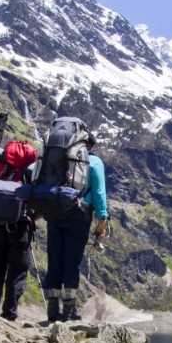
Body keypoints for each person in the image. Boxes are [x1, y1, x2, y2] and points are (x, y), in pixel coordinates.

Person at [42, 133, 109, 324]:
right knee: (71, 261)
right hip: (79, 215)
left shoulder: (60, 158)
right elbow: (98, 193)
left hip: (55, 212)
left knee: (54, 258)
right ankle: (69, 310)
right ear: (91, 146)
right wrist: (102, 221)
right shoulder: (94, 162)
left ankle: (52, 309)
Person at [0, 140, 38, 321]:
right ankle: (9, 315)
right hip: (21, 227)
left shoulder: (2, 164)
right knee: (16, 274)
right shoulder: (32, 170)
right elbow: (39, 199)